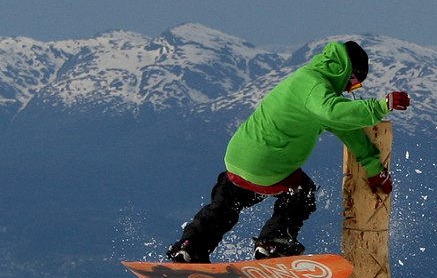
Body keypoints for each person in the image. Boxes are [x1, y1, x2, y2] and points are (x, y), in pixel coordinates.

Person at [167, 40, 411, 263]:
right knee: (302, 193)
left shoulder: (309, 84)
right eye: (355, 82)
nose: (350, 90)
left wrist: (373, 167)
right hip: (269, 163)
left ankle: (191, 247)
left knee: (227, 203)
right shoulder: (315, 86)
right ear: (346, 71)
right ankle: (274, 241)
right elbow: (332, 112)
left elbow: (347, 129)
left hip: (237, 159)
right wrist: (380, 106)